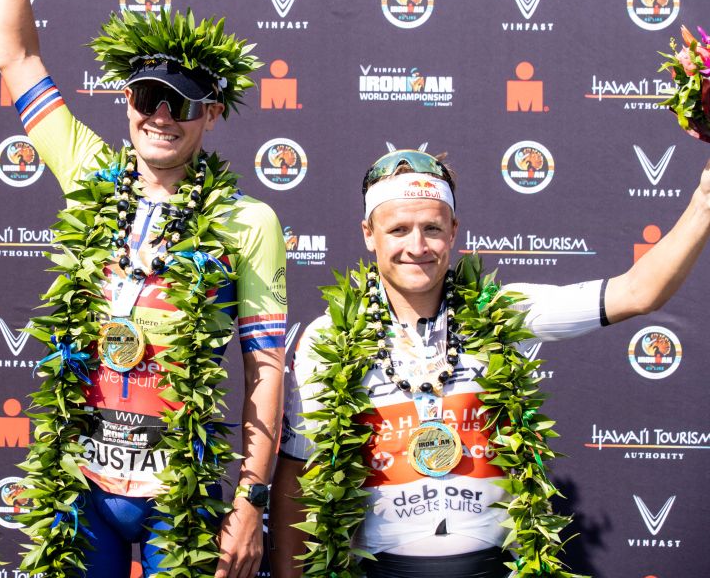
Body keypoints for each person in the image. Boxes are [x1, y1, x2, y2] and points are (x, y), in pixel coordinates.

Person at [0, 0, 287, 577]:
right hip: (81, 484)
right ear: (126, 99)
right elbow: (17, 57)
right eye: (148, 95)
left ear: (211, 116)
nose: (160, 116)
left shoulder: (249, 221)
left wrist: (250, 502)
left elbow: (265, 372)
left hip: (177, 489)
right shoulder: (89, 171)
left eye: (180, 104)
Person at [271, 148, 710, 578]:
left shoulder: (503, 311)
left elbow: (638, 293)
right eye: (399, 230)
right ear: (369, 234)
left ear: (454, 230)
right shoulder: (329, 337)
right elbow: (296, 475)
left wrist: (705, 200)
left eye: (432, 228)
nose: (417, 246)